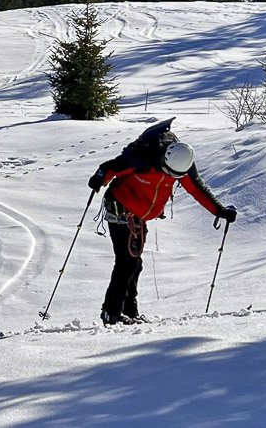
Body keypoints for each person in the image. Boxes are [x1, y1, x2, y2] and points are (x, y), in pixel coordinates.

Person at [88, 125, 237, 326]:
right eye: (169, 173)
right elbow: (111, 166)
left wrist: (219, 211)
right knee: (127, 262)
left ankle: (129, 312)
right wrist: (99, 179)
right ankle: (111, 313)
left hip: (139, 216)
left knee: (135, 263)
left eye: (176, 176)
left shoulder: (183, 166)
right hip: (119, 207)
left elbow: (197, 190)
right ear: (165, 159)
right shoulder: (144, 157)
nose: (173, 178)